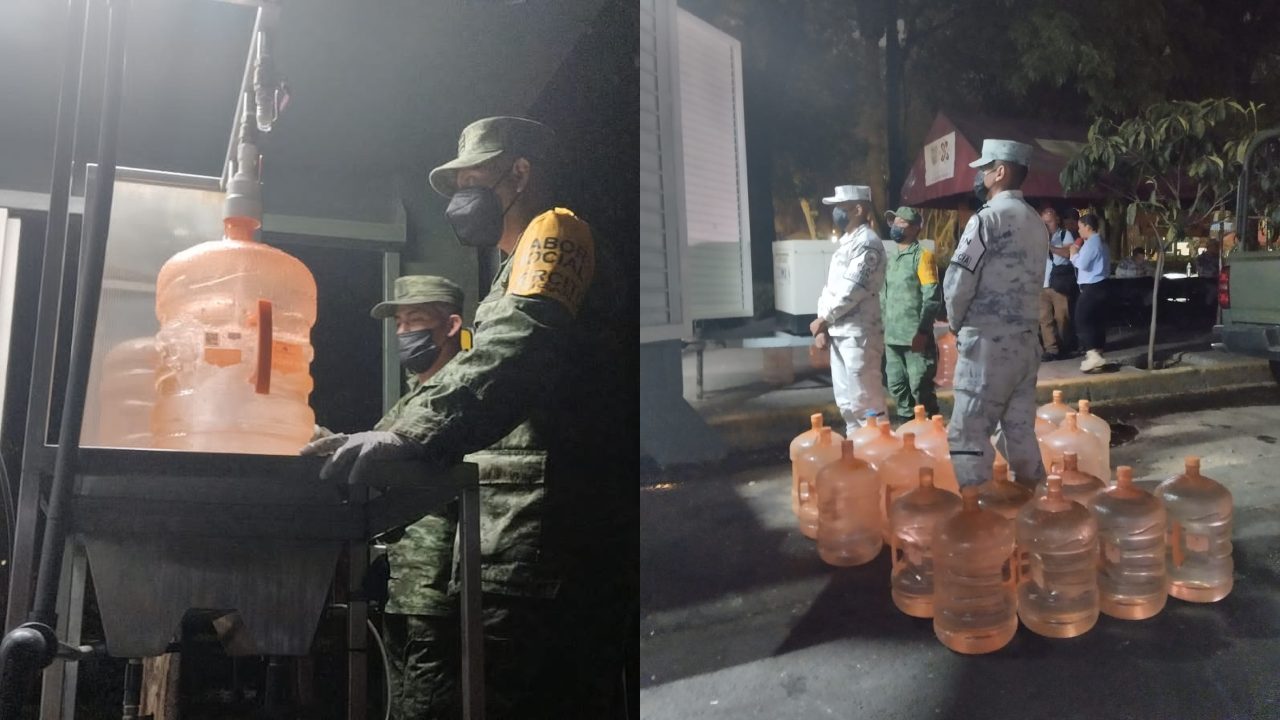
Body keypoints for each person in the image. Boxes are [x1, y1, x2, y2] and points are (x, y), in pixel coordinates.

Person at [303, 116, 630, 718]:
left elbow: (517, 344)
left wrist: (407, 434)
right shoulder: (510, 271)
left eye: (472, 180)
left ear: (520, 173)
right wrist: (382, 431)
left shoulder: (556, 234)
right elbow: (477, 370)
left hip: (541, 541)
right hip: (511, 543)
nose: (459, 201)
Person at [307, 276, 467, 719]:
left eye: (415, 321)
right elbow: (379, 445)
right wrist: (326, 440)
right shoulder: (416, 397)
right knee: (403, 702)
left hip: (438, 586)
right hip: (406, 584)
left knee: (426, 705)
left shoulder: (464, 396)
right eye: (399, 324)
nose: (404, 334)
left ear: (451, 325)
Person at [944, 139, 1047, 490]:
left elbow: (959, 280)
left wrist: (956, 323)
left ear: (1000, 172)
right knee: (1018, 431)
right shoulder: (1036, 222)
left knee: (967, 434)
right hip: (1024, 345)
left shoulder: (986, 220)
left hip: (986, 347)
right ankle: (1040, 504)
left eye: (985, 169)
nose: (981, 175)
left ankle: (977, 517)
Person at [811, 184, 888, 435]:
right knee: (847, 405)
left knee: (867, 405)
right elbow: (830, 287)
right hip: (841, 333)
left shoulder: (868, 244)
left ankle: (878, 460)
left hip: (859, 335)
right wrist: (823, 321)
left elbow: (853, 288)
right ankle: (858, 459)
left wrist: (825, 318)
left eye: (840, 208)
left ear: (857, 209)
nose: (836, 213)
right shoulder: (846, 243)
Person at [880, 205, 942, 420]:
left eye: (902, 222)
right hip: (892, 338)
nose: (896, 226)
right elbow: (883, 296)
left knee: (920, 388)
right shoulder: (890, 258)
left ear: (915, 228)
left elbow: (932, 296)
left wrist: (923, 331)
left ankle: (931, 435)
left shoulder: (923, 256)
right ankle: (908, 431)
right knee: (896, 385)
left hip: (915, 337)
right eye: (894, 222)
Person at [1066, 213, 1110, 372]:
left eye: (1080, 227)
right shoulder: (1102, 242)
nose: (1078, 231)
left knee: (1081, 319)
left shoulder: (1092, 243)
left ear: (1088, 227)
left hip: (1092, 286)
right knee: (1096, 320)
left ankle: (1093, 354)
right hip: (1101, 285)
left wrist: (1073, 253)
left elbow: (1082, 264)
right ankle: (1098, 353)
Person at [1039, 207, 1076, 360]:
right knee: (1044, 319)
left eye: (1049, 222)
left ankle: (1065, 346)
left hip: (1058, 284)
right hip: (1041, 284)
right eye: (1044, 223)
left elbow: (1068, 253)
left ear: (1057, 220)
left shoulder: (1064, 234)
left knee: (1062, 317)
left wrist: (1049, 247)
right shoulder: (1038, 237)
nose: (1047, 226)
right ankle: (1051, 349)